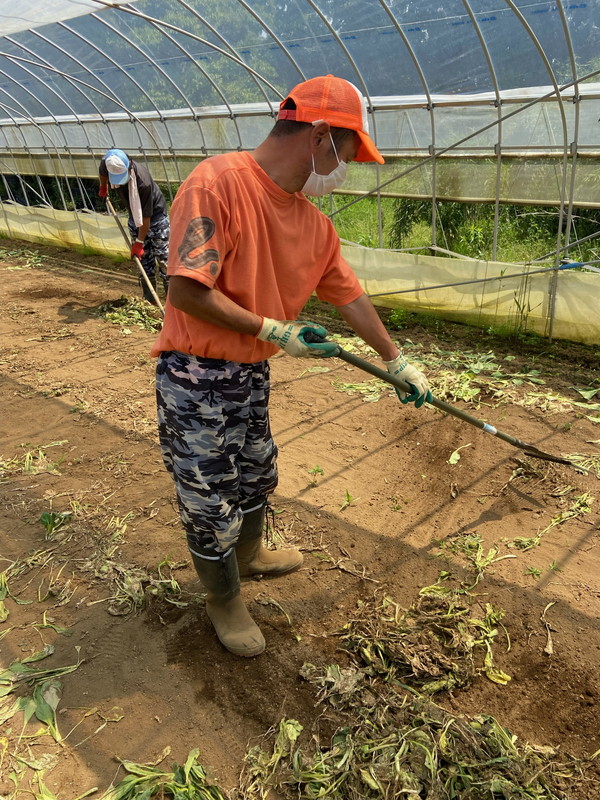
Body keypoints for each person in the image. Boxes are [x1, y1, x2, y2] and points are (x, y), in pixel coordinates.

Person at [150, 74, 432, 658]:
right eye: (348, 152)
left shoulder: (312, 225)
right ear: (320, 136)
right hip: (197, 375)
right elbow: (186, 290)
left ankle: (251, 555)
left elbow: (350, 296)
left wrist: (395, 359)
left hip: (251, 373)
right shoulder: (217, 184)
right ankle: (223, 599)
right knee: (209, 493)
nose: (346, 167)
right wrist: (273, 329)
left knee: (257, 469)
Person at [99, 149, 170, 304]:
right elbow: (102, 172)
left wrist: (139, 242)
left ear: (129, 165)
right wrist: (103, 187)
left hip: (155, 218)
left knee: (163, 259)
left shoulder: (143, 182)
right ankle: (149, 300)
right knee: (144, 260)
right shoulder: (108, 163)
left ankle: (173, 302)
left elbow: (145, 217)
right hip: (134, 215)